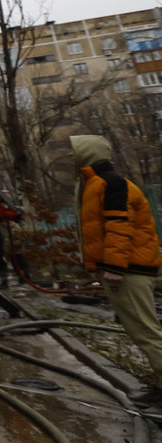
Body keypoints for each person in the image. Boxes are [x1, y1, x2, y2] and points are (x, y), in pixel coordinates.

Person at [72, 134, 162, 408]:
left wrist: (113, 267)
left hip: (129, 271)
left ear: (87, 154)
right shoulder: (95, 183)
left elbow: (119, 226)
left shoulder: (111, 183)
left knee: (145, 331)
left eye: (76, 151)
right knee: (140, 329)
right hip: (128, 268)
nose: (72, 156)